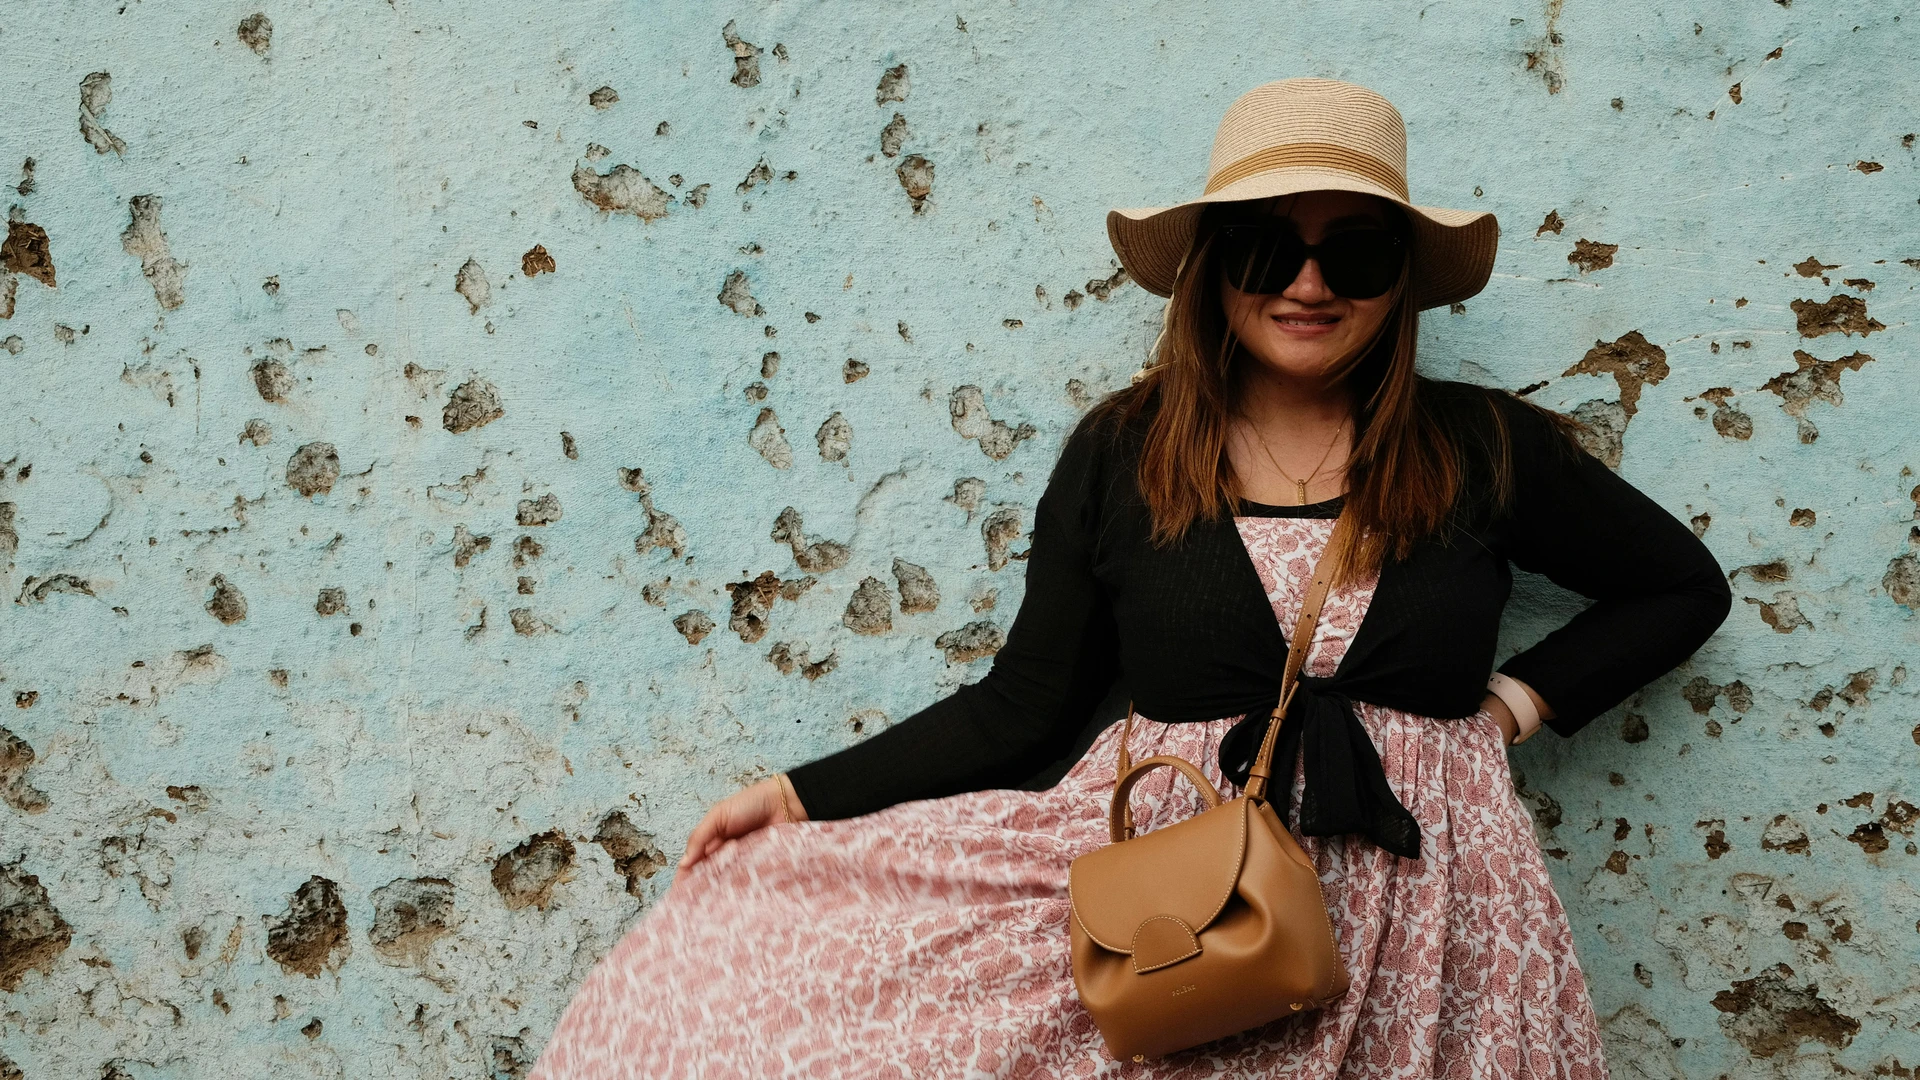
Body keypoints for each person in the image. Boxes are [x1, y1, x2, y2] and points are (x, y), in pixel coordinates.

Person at [529, 77, 1731, 1079]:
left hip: (1436, 911)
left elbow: (1680, 589)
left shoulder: (1481, 445)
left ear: (1398, 280)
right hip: (1186, 923)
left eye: (1354, 252)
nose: (1309, 285)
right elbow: (1025, 707)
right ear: (1211, 269)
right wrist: (795, 801)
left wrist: (1503, 714)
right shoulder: (1127, 451)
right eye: (1269, 247)